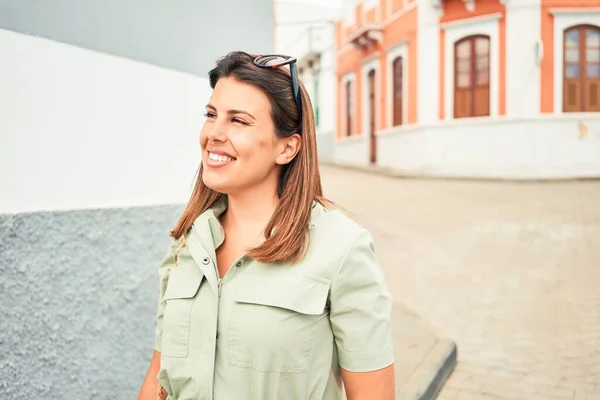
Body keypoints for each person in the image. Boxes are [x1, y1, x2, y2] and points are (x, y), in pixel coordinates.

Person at [137, 51, 395, 400]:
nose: (214, 132)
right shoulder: (188, 242)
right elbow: (159, 376)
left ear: (287, 148)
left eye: (238, 121)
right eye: (211, 115)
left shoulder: (342, 247)